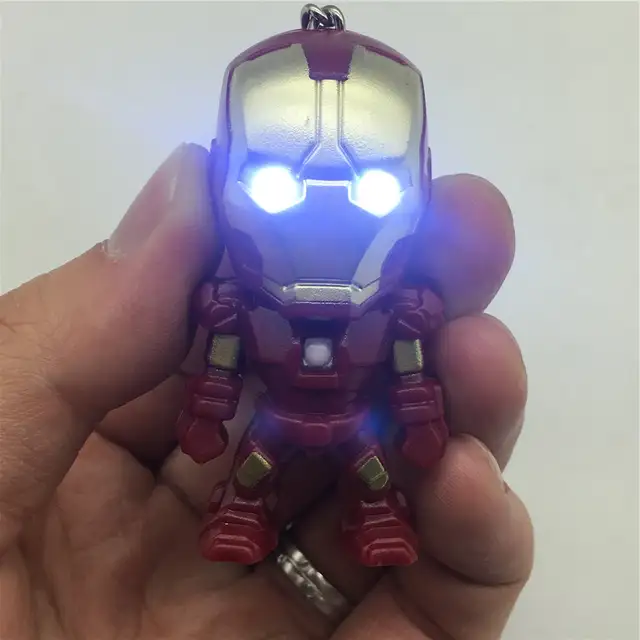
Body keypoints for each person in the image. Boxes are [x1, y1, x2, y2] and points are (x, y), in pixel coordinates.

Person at [0, 144, 533, 639]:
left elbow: (408, 364)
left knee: (373, 477)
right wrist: (207, 412)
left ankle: (373, 518)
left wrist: (421, 415)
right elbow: (223, 360)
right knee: (253, 472)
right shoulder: (243, 301)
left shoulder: (395, 305)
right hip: (278, 414)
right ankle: (241, 516)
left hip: (354, 418)